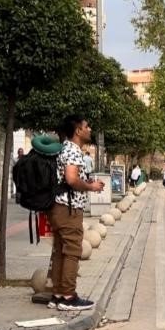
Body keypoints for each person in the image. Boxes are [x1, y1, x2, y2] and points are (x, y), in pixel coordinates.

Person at [48, 115, 106, 312]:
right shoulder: (73, 151)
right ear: (78, 131)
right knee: (72, 251)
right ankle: (68, 296)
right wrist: (91, 187)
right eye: (87, 126)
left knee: (59, 251)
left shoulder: (63, 148)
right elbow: (72, 180)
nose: (90, 129)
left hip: (59, 207)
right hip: (69, 208)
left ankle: (56, 294)